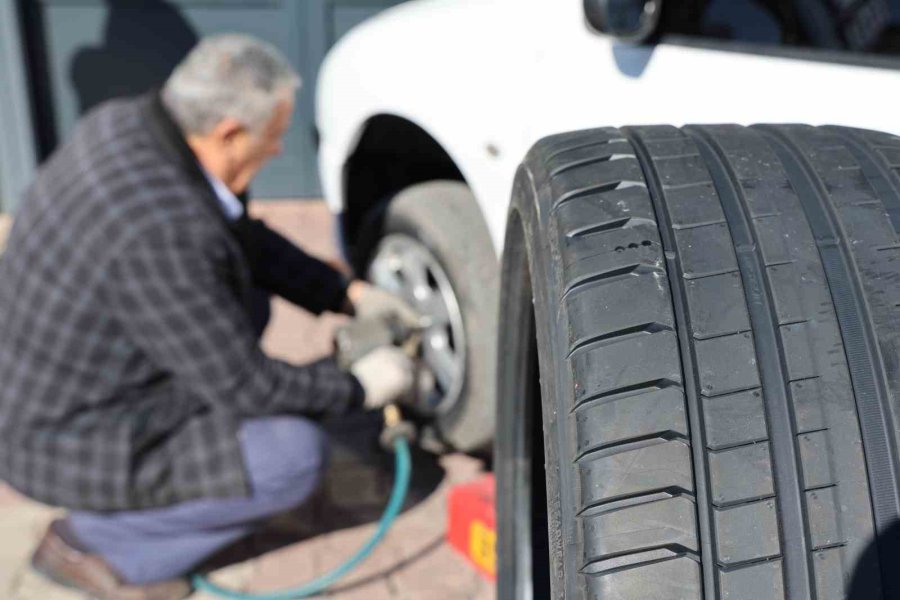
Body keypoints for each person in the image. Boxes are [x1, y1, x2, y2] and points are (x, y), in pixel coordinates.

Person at [0, 34, 418, 600]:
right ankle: (89, 542)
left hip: (48, 381)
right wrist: (357, 387)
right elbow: (251, 387)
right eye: (272, 140)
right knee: (290, 459)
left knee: (245, 296)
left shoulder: (131, 126)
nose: (276, 152)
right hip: (62, 438)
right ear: (227, 132)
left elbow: (242, 237)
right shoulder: (162, 231)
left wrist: (347, 294)